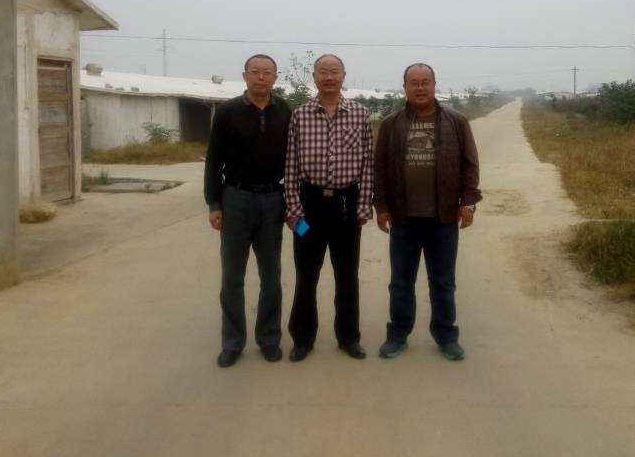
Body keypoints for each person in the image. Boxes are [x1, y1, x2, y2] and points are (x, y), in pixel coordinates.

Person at [374, 63, 481, 361]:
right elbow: (379, 168)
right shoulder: (391, 124)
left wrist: (468, 201)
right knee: (400, 282)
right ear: (405, 87)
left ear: (434, 85)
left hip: (443, 218)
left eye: (425, 82)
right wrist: (381, 206)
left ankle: (446, 336)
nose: (420, 88)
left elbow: (470, 164)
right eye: (414, 82)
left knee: (443, 282)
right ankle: (398, 334)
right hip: (403, 219)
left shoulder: (456, 121)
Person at [283, 54, 374, 362]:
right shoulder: (300, 115)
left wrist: (363, 207)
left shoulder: (360, 114)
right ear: (315, 76)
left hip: (346, 206)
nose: (329, 77)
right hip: (308, 207)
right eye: (323, 71)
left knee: (347, 275)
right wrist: (294, 210)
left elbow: (368, 164)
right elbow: (291, 165)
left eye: (334, 71)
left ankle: (349, 338)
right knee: (306, 275)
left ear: (344, 75)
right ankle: (302, 339)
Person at [204, 54, 292, 367]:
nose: (261, 77)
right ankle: (233, 342)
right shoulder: (227, 112)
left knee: (271, 276)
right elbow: (214, 159)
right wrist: (214, 203)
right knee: (232, 277)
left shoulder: (285, 111)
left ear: (275, 78)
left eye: (267, 72)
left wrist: (292, 203)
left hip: (272, 199)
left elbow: (293, 160)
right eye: (255, 71)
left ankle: (269, 339)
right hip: (235, 199)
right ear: (245, 76)